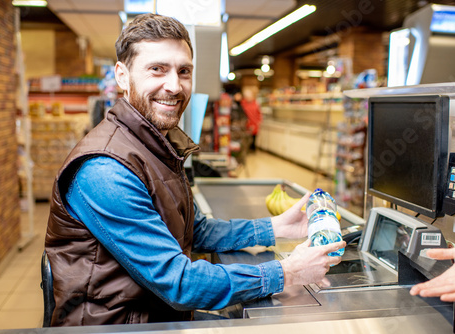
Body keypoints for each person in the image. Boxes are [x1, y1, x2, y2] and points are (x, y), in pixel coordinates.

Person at [44, 13, 345, 327]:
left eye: (183, 71)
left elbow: (195, 230)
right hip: (118, 326)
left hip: (155, 313)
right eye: (157, 69)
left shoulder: (152, 145)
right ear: (122, 75)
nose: (174, 86)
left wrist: (276, 228)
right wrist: (287, 272)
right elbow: (180, 283)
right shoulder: (105, 169)